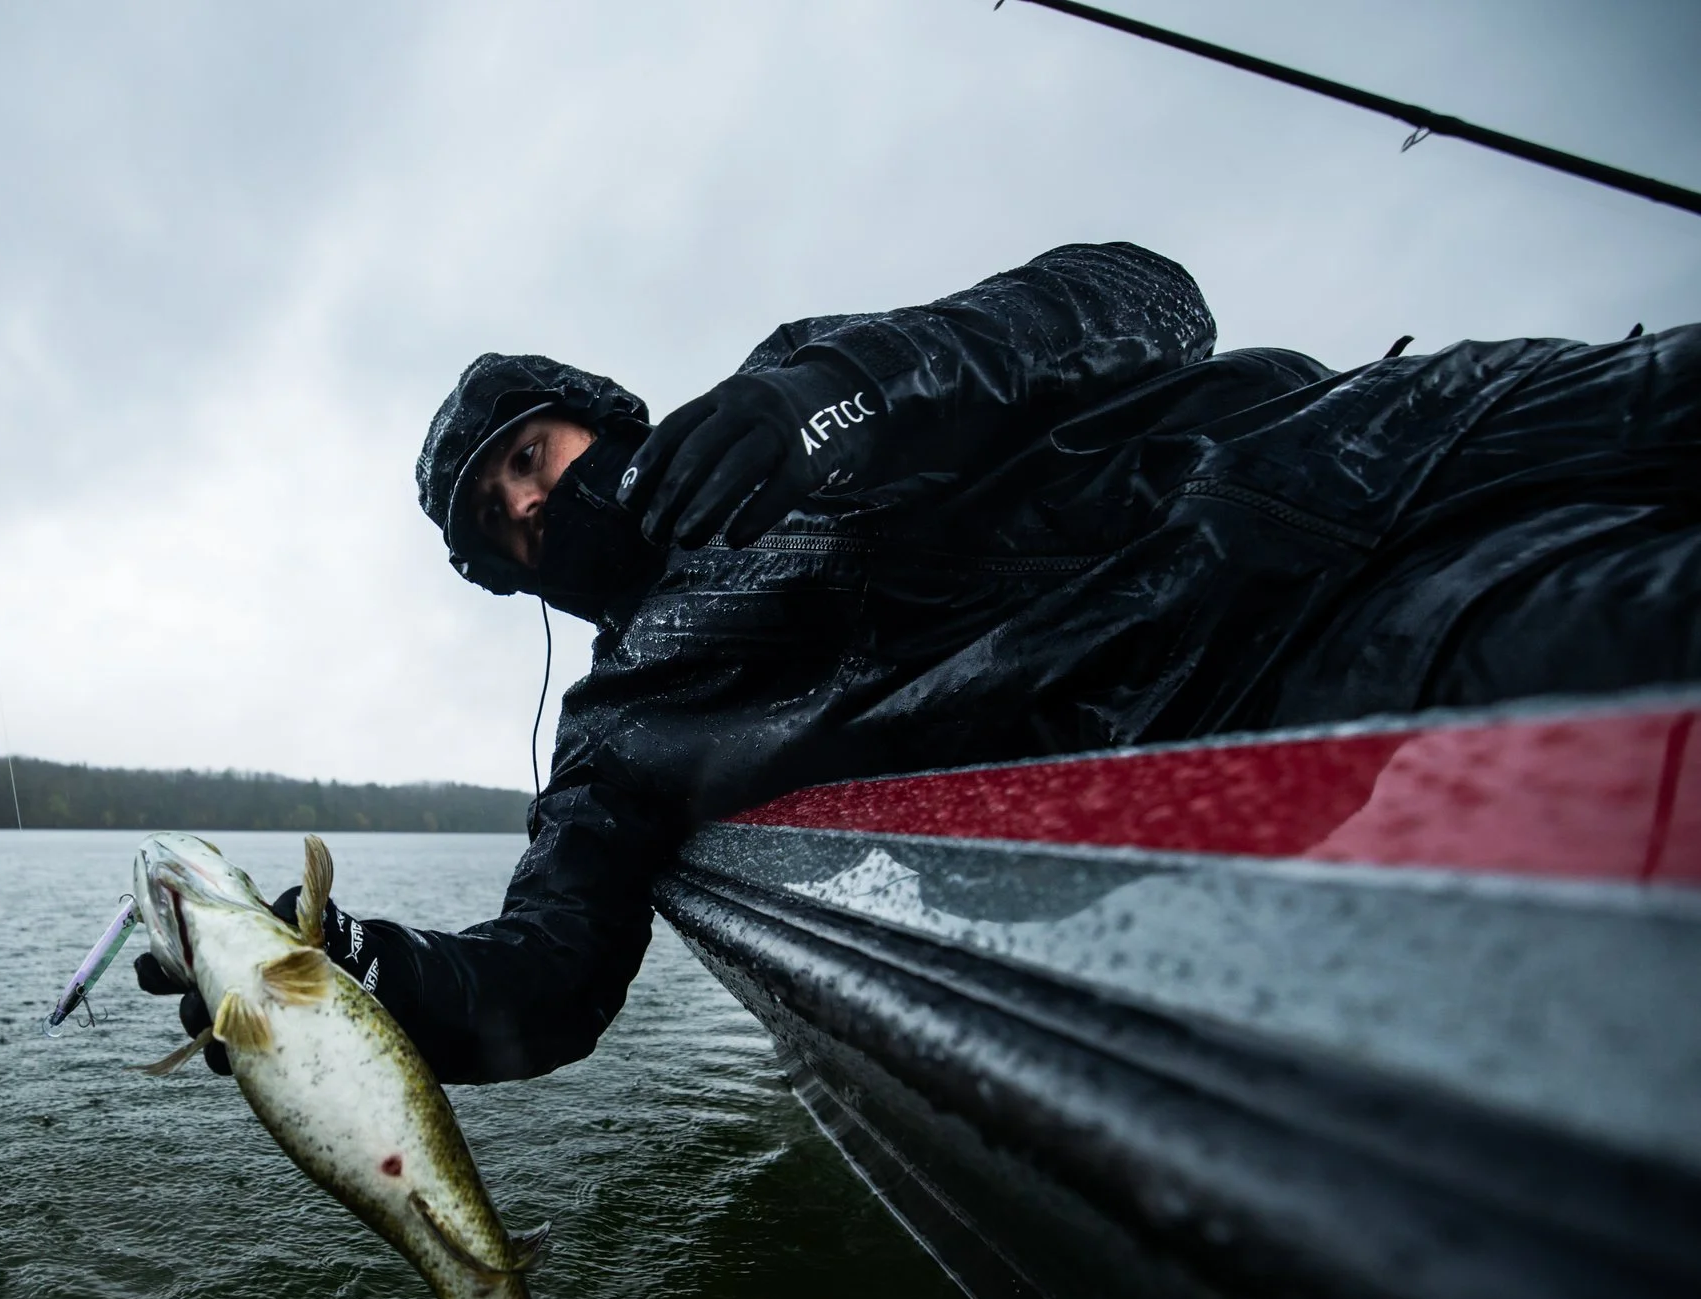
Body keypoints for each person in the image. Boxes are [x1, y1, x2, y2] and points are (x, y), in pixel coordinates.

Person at [138, 241, 1701, 1082]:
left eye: (536, 453)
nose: (539, 498)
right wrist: (356, 978)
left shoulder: (807, 375)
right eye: (507, 514)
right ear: (511, 570)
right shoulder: (620, 733)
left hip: (1381, 435)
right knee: (1636, 625)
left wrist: (842, 387)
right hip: (1306, 661)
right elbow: (541, 983)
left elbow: (1145, 299)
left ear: (600, 416)